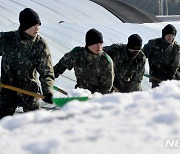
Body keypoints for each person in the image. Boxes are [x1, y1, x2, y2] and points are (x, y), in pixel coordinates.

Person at [0, 8, 54, 118]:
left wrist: (48, 91)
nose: (37, 28)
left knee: (35, 125)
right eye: (34, 25)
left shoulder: (40, 45)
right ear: (25, 25)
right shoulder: (6, 39)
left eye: (39, 24)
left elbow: (47, 72)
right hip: (6, 90)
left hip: (29, 92)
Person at [54, 28, 114, 94]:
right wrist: (48, 79)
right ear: (89, 43)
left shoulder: (106, 61)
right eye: (96, 43)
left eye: (101, 43)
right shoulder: (76, 54)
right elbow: (59, 67)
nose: (99, 47)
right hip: (80, 94)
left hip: (99, 99)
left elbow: (106, 87)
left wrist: (91, 97)